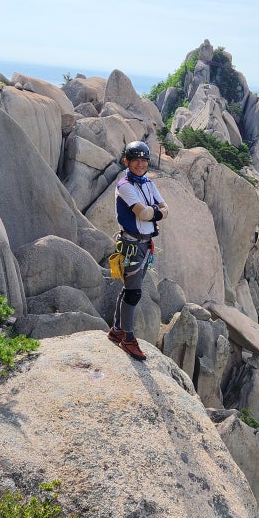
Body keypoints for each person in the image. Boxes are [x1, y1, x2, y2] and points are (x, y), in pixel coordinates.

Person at [109, 140, 168, 360]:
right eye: (136, 160)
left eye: (144, 160)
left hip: (145, 244)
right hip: (131, 245)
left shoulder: (149, 184)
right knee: (133, 293)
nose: (140, 164)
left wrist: (153, 211)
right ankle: (128, 339)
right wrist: (156, 211)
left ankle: (117, 330)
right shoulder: (125, 185)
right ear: (127, 161)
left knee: (129, 289)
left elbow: (163, 209)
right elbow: (143, 214)